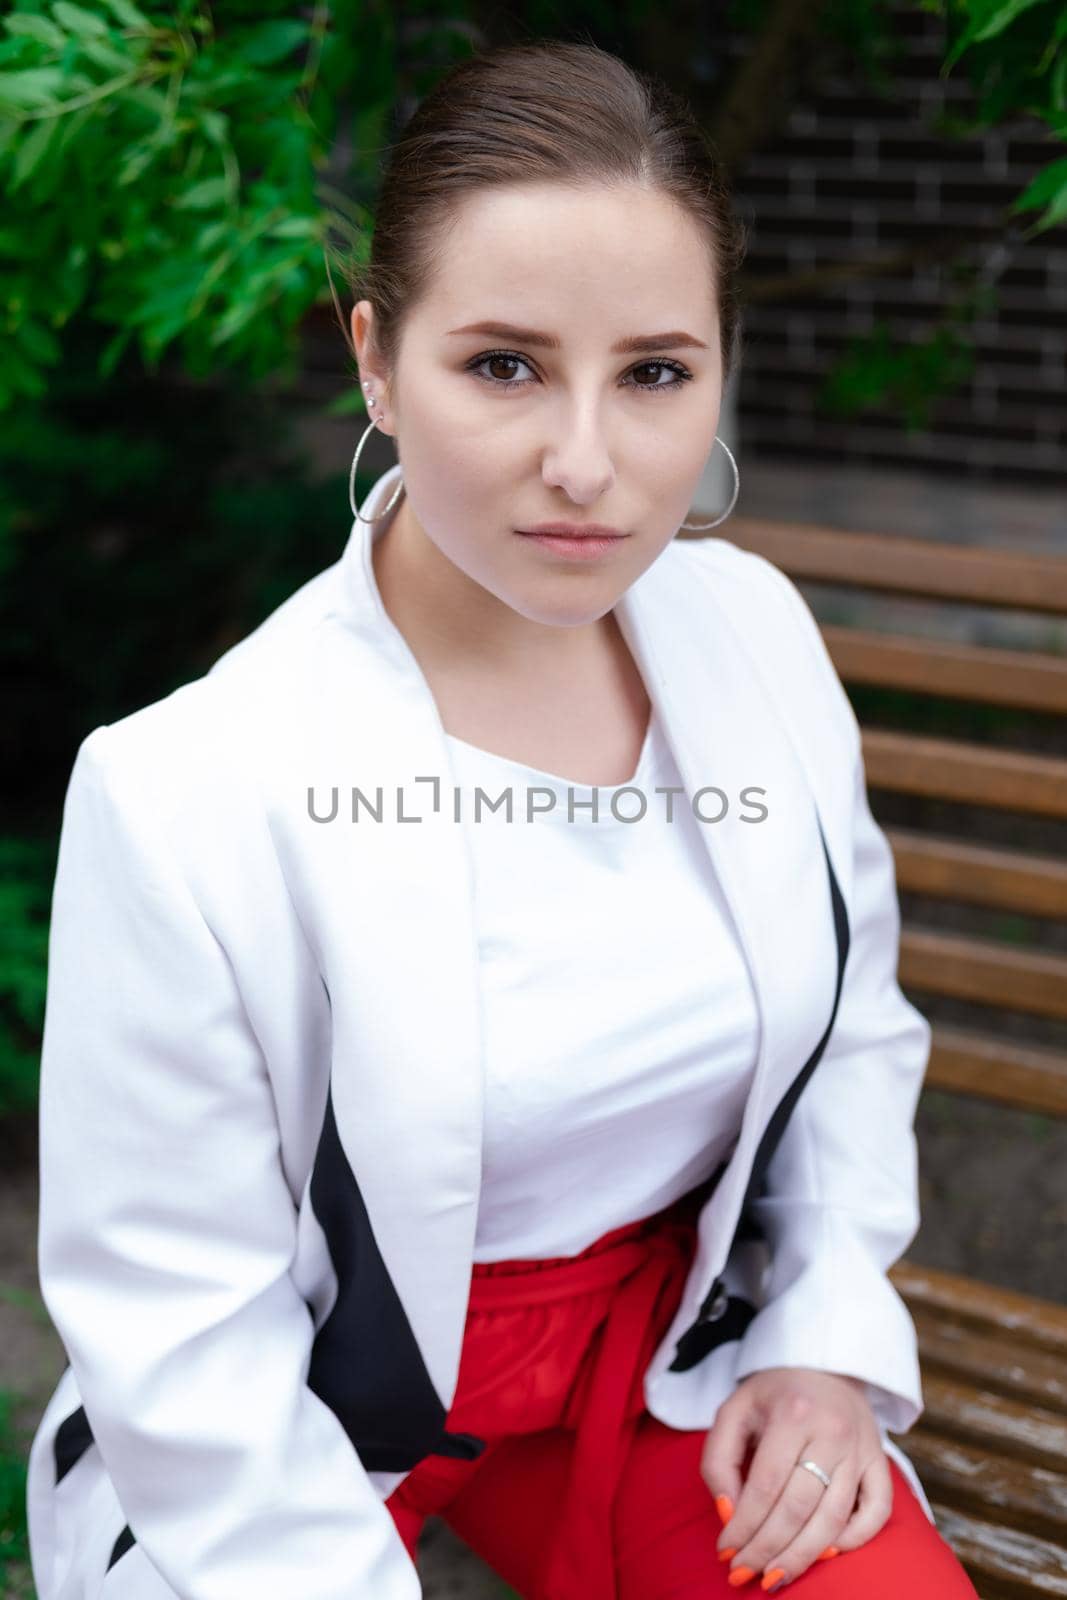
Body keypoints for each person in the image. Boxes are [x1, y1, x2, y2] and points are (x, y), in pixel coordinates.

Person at [26, 35, 979, 1600]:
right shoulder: (187, 789)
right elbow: (181, 1326)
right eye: (504, 365)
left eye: (656, 372)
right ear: (374, 364)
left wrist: (820, 1338)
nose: (589, 465)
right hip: (305, 1412)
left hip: (663, 1350)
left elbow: (854, 1034)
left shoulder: (752, 636)